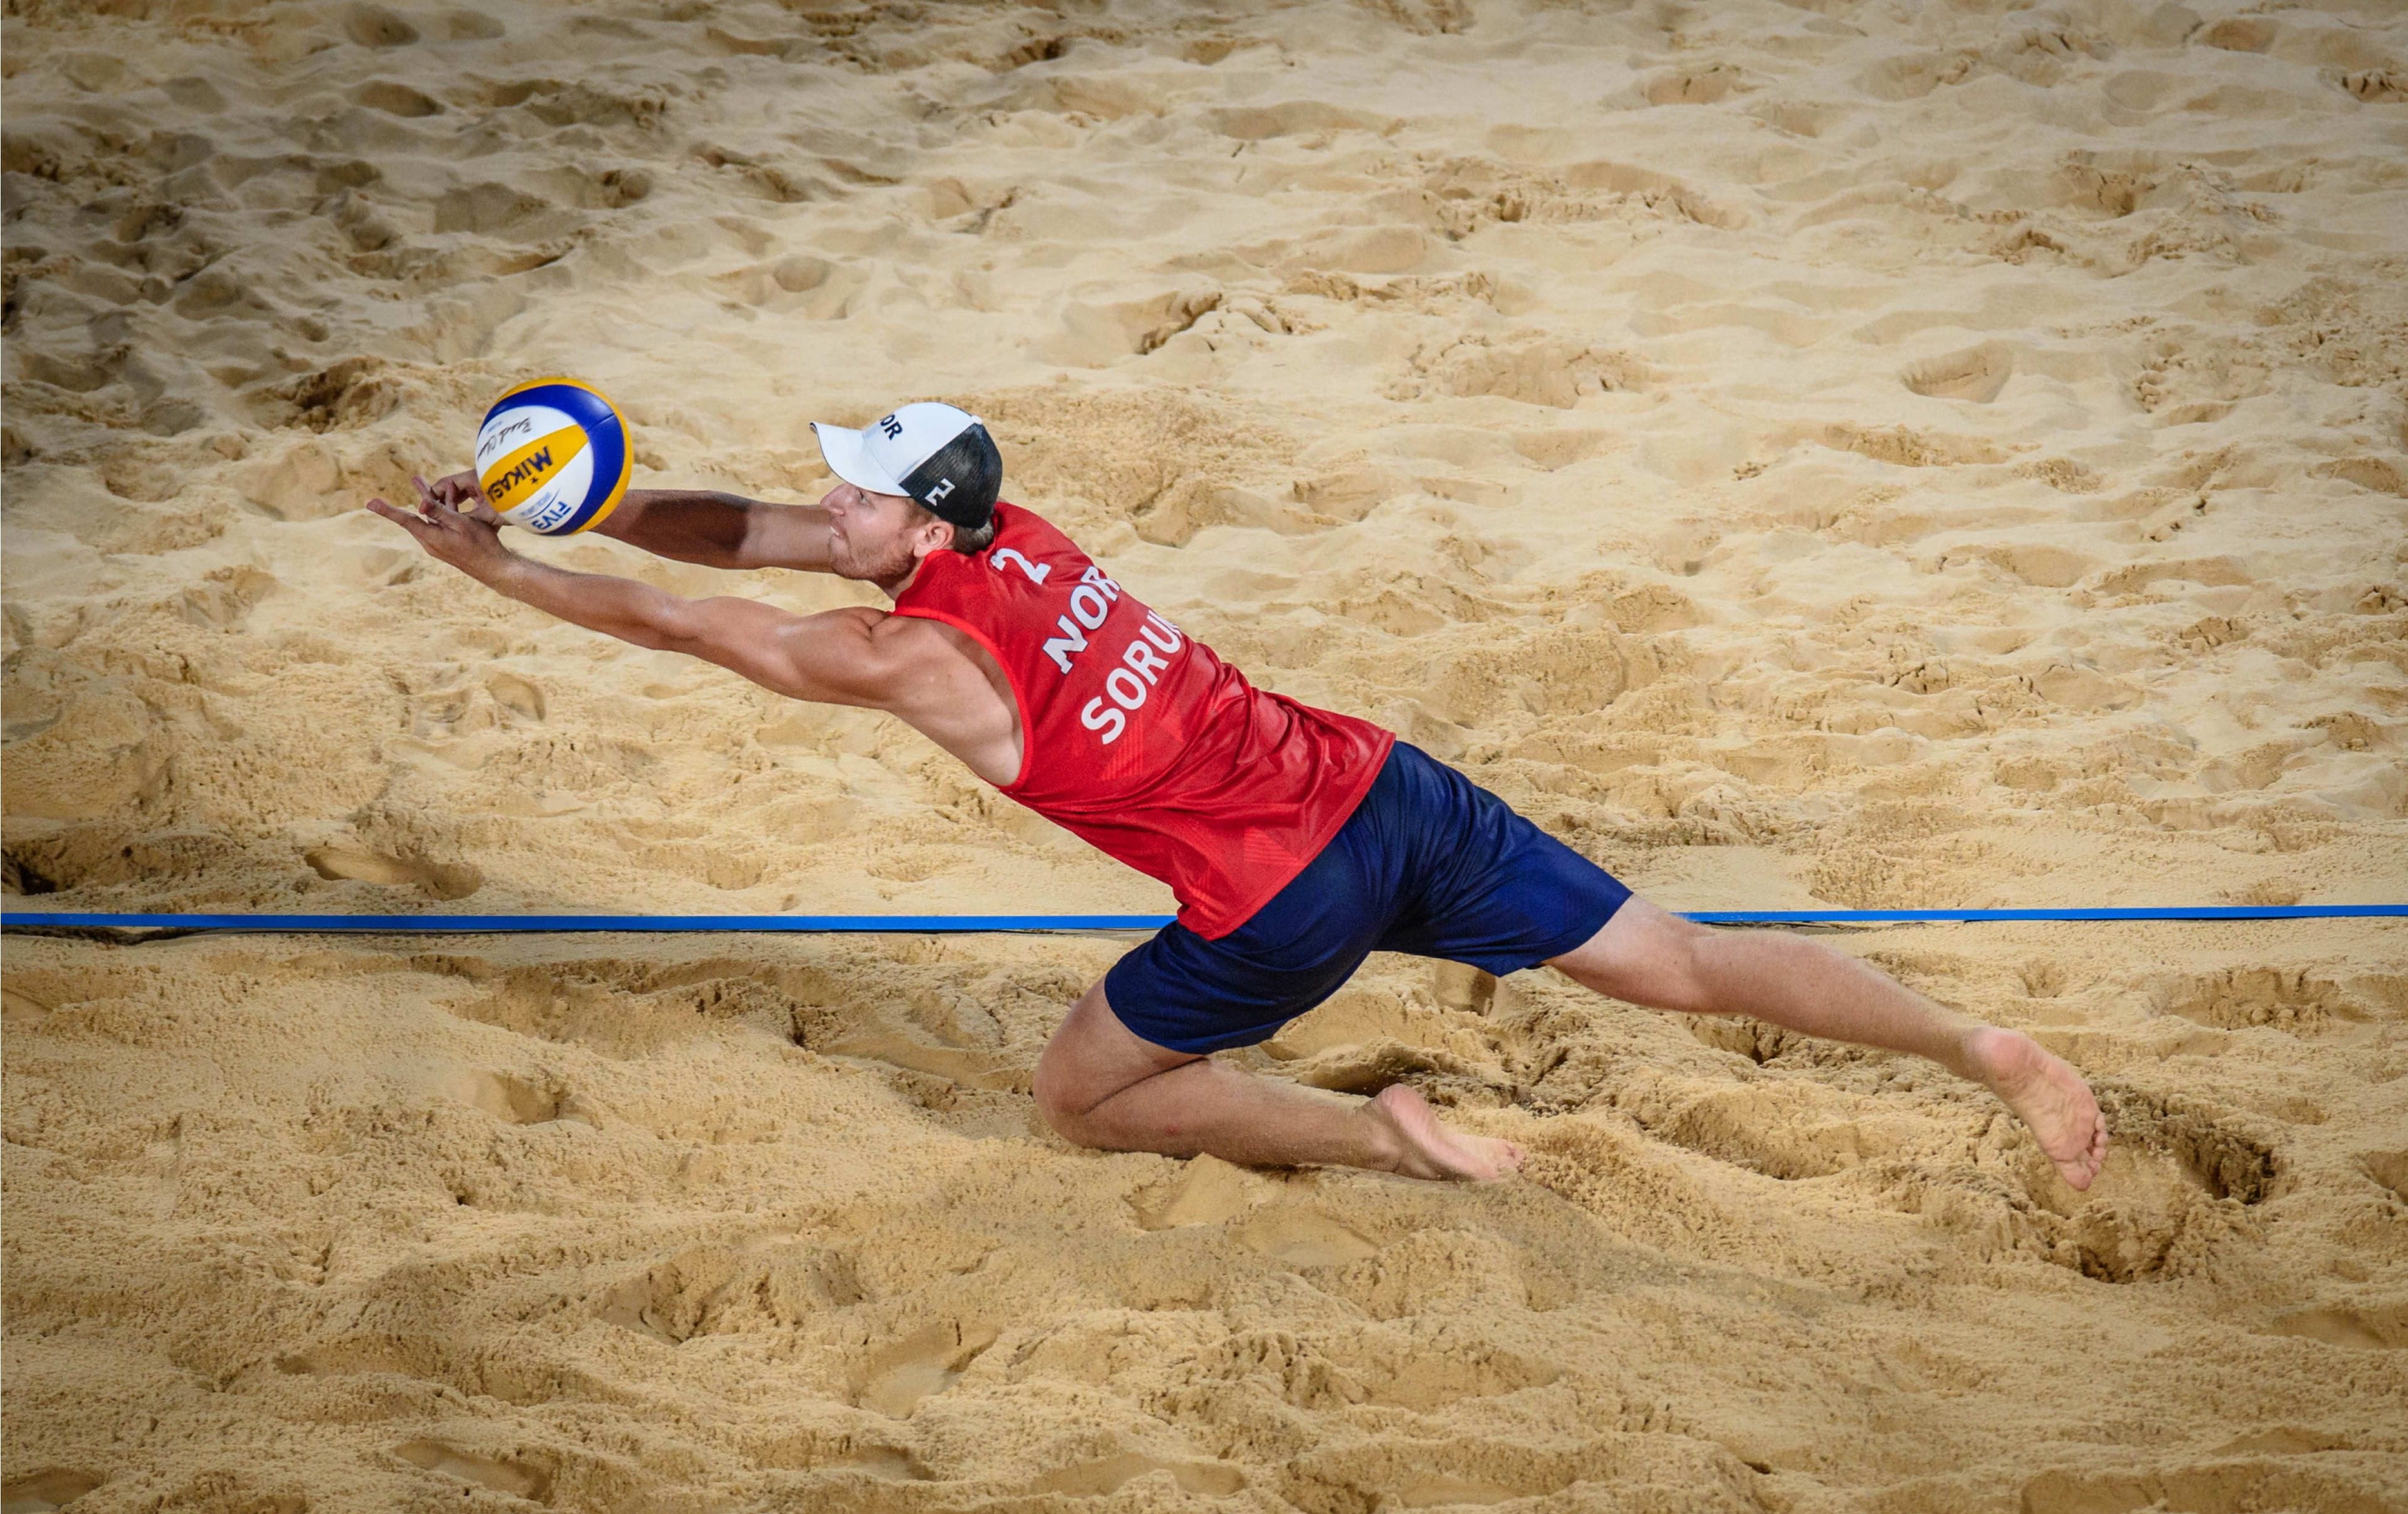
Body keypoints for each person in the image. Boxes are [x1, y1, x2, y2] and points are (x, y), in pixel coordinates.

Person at [367, 401, 2109, 1190]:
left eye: (857, 497)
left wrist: (491, 569)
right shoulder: (1018, 535)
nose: (828, 509)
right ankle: (1981, 1054)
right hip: (1382, 786)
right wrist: (582, 493)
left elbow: (699, 621)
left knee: (1081, 1098)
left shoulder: (914, 664)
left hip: (1280, 900)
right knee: (1685, 957)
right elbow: (744, 530)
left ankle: (1383, 1138)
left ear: (921, 530)